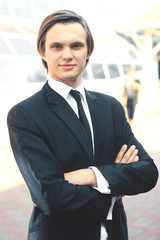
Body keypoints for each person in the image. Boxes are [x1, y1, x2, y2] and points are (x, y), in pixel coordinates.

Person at [7, 10, 158, 240]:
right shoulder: (24, 115)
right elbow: (52, 197)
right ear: (42, 51)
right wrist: (115, 189)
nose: (67, 55)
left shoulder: (111, 107)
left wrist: (90, 176)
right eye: (57, 46)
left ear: (89, 51)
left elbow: (147, 172)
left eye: (76, 45)